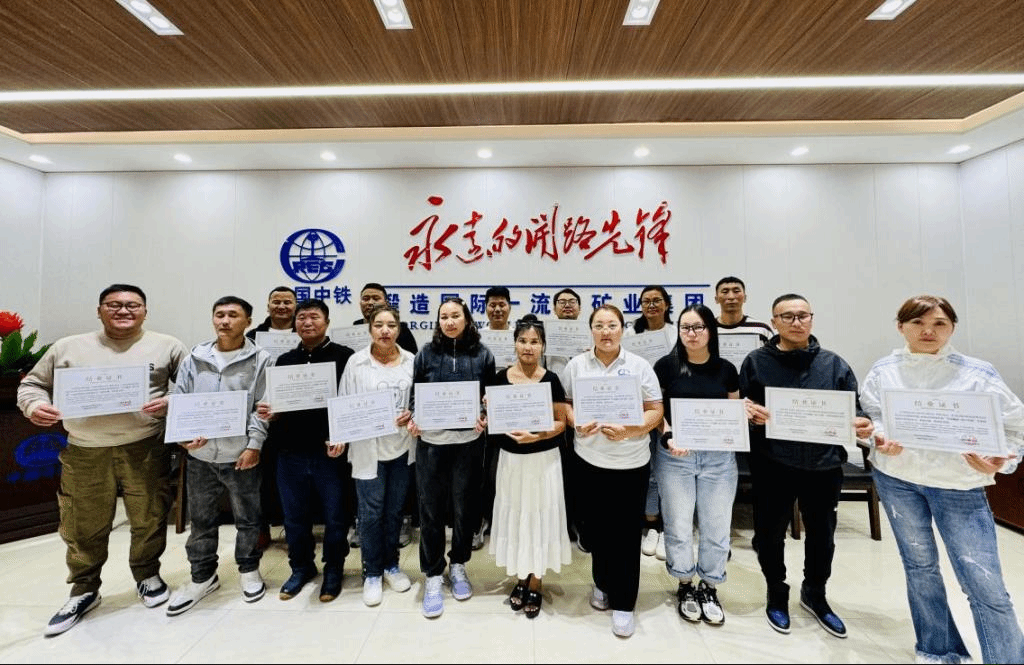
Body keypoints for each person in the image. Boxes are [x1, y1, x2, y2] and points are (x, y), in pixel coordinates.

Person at [860, 295, 1024, 664]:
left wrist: (999, 460)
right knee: (920, 568)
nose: (928, 331)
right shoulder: (884, 370)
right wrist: (880, 438)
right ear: (900, 327)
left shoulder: (978, 374)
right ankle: (937, 650)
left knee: (983, 580)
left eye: (939, 324)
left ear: (952, 328)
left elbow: (1016, 427)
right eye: (917, 323)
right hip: (897, 480)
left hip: (959, 485)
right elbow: (873, 416)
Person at [17, 284, 188, 637]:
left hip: (145, 446)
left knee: (150, 515)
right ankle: (84, 588)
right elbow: (31, 385)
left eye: (132, 305)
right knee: (82, 522)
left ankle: (147, 575)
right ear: (99, 310)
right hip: (85, 449)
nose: (123, 310)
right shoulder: (68, 347)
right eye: (114, 305)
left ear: (145, 311)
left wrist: (171, 403)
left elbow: (192, 387)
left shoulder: (167, 345)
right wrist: (34, 406)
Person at [740, 293, 873, 638]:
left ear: (812, 319)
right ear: (774, 322)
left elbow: (856, 410)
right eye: (787, 316)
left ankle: (815, 593)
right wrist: (749, 414)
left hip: (823, 465)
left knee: (823, 535)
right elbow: (744, 405)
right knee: (769, 534)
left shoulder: (834, 364)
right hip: (773, 463)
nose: (796, 322)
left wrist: (860, 423)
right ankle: (776, 592)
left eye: (802, 315)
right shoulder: (756, 362)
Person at [166, 296, 273, 615]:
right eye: (219, 314)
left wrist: (254, 445)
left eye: (233, 315)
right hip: (199, 455)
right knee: (201, 519)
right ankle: (202, 576)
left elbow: (262, 407)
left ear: (248, 321)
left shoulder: (261, 359)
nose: (225, 321)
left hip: (240, 454)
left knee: (248, 517)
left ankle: (249, 570)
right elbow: (180, 399)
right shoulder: (195, 357)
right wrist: (183, 437)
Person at [562, 304, 663, 637]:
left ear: (622, 329)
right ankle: (602, 583)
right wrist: (576, 422)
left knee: (625, 534)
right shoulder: (576, 365)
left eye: (612, 325)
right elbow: (566, 405)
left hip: (629, 463)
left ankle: (624, 602)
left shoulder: (639, 366)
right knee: (596, 530)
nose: (606, 332)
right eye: (599, 326)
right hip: (588, 461)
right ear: (591, 330)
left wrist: (630, 430)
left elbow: (655, 410)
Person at [257, 299, 354, 602]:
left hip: (330, 452)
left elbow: (352, 402)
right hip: (290, 451)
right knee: (294, 517)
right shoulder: (284, 360)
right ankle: (301, 567)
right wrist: (271, 412)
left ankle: (334, 569)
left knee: (336, 516)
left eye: (314, 317)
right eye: (301, 318)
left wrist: (342, 437)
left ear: (327, 322)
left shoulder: (345, 357)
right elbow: (276, 405)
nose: (307, 322)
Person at [407, 297, 495, 618]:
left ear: (466, 319)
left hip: (468, 443)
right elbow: (414, 394)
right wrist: (414, 417)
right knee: (430, 509)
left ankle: (458, 564)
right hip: (431, 443)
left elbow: (489, 395)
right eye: (444, 317)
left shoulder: (483, 354)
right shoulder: (425, 354)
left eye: (455, 315)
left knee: (464, 508)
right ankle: (433, 573)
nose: (449, 321)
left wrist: (485, 415)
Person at [653, 304, 740, 626]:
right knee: (677, 524)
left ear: (710, 331)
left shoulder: (727, 369)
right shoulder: (666, 366)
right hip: (676, 455)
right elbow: (656, 410)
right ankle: (685, 583)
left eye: (698, 327)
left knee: (716, 526)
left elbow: (733, 411)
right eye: (685, 328)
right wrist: (668, 436)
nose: (691, 334)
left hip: (719, 458)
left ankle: (710, 585)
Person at [487, 315, 571, 619]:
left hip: (543, 461)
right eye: (523, 340)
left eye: (534, 341)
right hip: (511, 462)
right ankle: (521, 576)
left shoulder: (551, 379)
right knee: (517, 515)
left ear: (543, 346)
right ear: (514, 344)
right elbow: (493, 421)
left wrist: (537, 435)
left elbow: (561, 422)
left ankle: (536, 580)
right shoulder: (500, 379)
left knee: (540, 516)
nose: (528, 347)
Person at [337, 304, 415, 607]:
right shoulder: (356, 363)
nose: (385, 331)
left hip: (401, 448)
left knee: (395, 512)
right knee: (370, 513)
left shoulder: (411, 361)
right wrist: (339, 438)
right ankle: (371, 571)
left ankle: (391, 565)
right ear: (369, 328)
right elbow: (344, 404)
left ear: (399, 329)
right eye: (379, 325)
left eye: (391, 325)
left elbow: (418, 401)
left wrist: (412, 414)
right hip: (367, 449)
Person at [245, 286, 297, 550]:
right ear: (268, 306)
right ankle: (261, 527)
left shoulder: (305, 333)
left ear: (295, 306)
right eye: (276, 301)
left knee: (292, 476)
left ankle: (293, 526)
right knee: (260, 476)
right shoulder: (253, 337)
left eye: (288, 302)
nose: (282, 306)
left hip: (293, 414)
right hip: (261, 411)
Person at [629, 285, 674, 561]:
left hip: (668, 407)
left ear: (667, 304)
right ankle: (651, 524)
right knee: (647, 470)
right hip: (636, 408)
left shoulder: (676, 332)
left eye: (657, 300)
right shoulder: (630, 334)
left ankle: (667, 525)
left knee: (665, 468)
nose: (652, 305)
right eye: (646, 301)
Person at [544, 287, 585, 550]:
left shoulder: (591, 333)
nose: (567, 305)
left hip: (586, 410)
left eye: (572, 302)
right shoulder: (545, 336)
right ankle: (560, 523)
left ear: (580, 308)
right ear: (554, 308)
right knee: (558, 469)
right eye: (562, 302)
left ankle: (579, 522)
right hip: (554, 409)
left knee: (580, 471)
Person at [476, 285, 513, 548]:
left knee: (506, 469)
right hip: (483, 412)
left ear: (509, 307)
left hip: (512, 411)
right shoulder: (477, 337)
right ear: (486, 307)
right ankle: (481, 520)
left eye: (502, 304)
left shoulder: (519, 335)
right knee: (482, 470)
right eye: (492, 304)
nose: (497, 309)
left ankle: (504, 520)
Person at [352, 283, 418, 355]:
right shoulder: (356, 327)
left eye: (376, 299)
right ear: (360, 303)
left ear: (386, 303)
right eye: (365, 299)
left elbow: (412, 358)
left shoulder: (401, 330)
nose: (370, 302)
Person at [713, 276, 772, 344]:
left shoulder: (762, 329)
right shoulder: (707, 329)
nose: (731, 297)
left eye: (736, 291)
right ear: (716, 299)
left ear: (745, 298)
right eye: (725, 292)